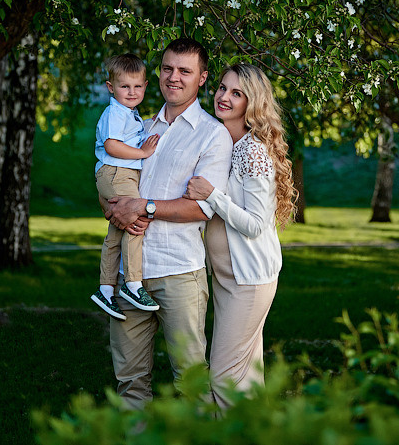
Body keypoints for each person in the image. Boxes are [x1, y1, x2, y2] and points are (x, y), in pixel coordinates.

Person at [105, 38, 233, 409]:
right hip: (130, 274)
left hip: (179, 272)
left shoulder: (213, 135)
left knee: (190, 383)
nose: (173, 77)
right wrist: (115, 207)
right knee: (130, 382)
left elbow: (201, 210)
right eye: (166, 68)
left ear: (202, 78)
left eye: (184, 71)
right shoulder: (138, 128)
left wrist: (140, 206)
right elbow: (114, 181)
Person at [183, 63, 297, 410]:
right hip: (229, 279)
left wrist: (212, 194)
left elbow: (255, 224)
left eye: (236, 93)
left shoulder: (252, 151)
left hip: (250, 281)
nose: (224, 97)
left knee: (224, 375)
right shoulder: (226, 144)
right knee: (244, 377)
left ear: (253, 103)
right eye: (221, 88)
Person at [90, 54, 162, 321]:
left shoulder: (128, 113)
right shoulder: (115, 112)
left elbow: (127, 135)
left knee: (116, 232)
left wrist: (149, 124)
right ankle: (133, 284)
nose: (132, 92)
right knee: (135, 219)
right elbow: (111, 145)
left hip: (117, 173)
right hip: (117, 172)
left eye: (137, 86)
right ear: (111, 87)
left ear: (144, 86)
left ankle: (106, 288)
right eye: (124, 86)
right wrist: (143, 153)